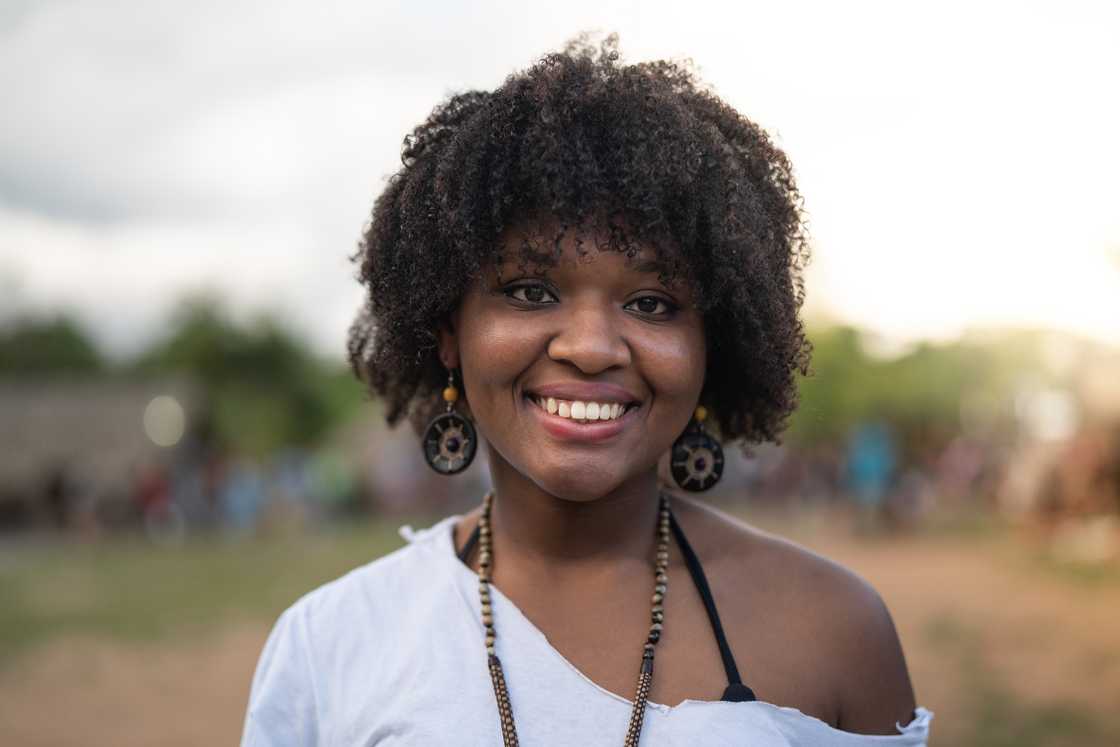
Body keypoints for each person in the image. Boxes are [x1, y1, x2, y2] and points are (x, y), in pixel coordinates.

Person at [241, 35, 932, 746]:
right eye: (531, 290)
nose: (592, 346)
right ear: (449, 328)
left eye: (653, 302)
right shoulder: (328, 648)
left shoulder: (835, 630)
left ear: (711, 345)